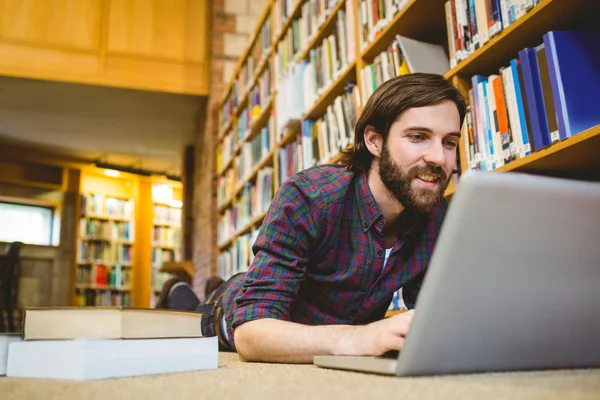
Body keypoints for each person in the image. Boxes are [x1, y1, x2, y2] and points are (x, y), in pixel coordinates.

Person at [160, 73, 466, 363]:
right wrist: (358, 340)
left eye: (449, 142)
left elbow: (435, 317)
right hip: (230, 317)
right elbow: (250, 335)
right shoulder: (310, 197)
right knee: (188, 317)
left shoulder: (437, 218)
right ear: (374, 140)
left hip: (326, 330)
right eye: (418, 137)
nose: (439, 158)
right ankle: (182, 291)